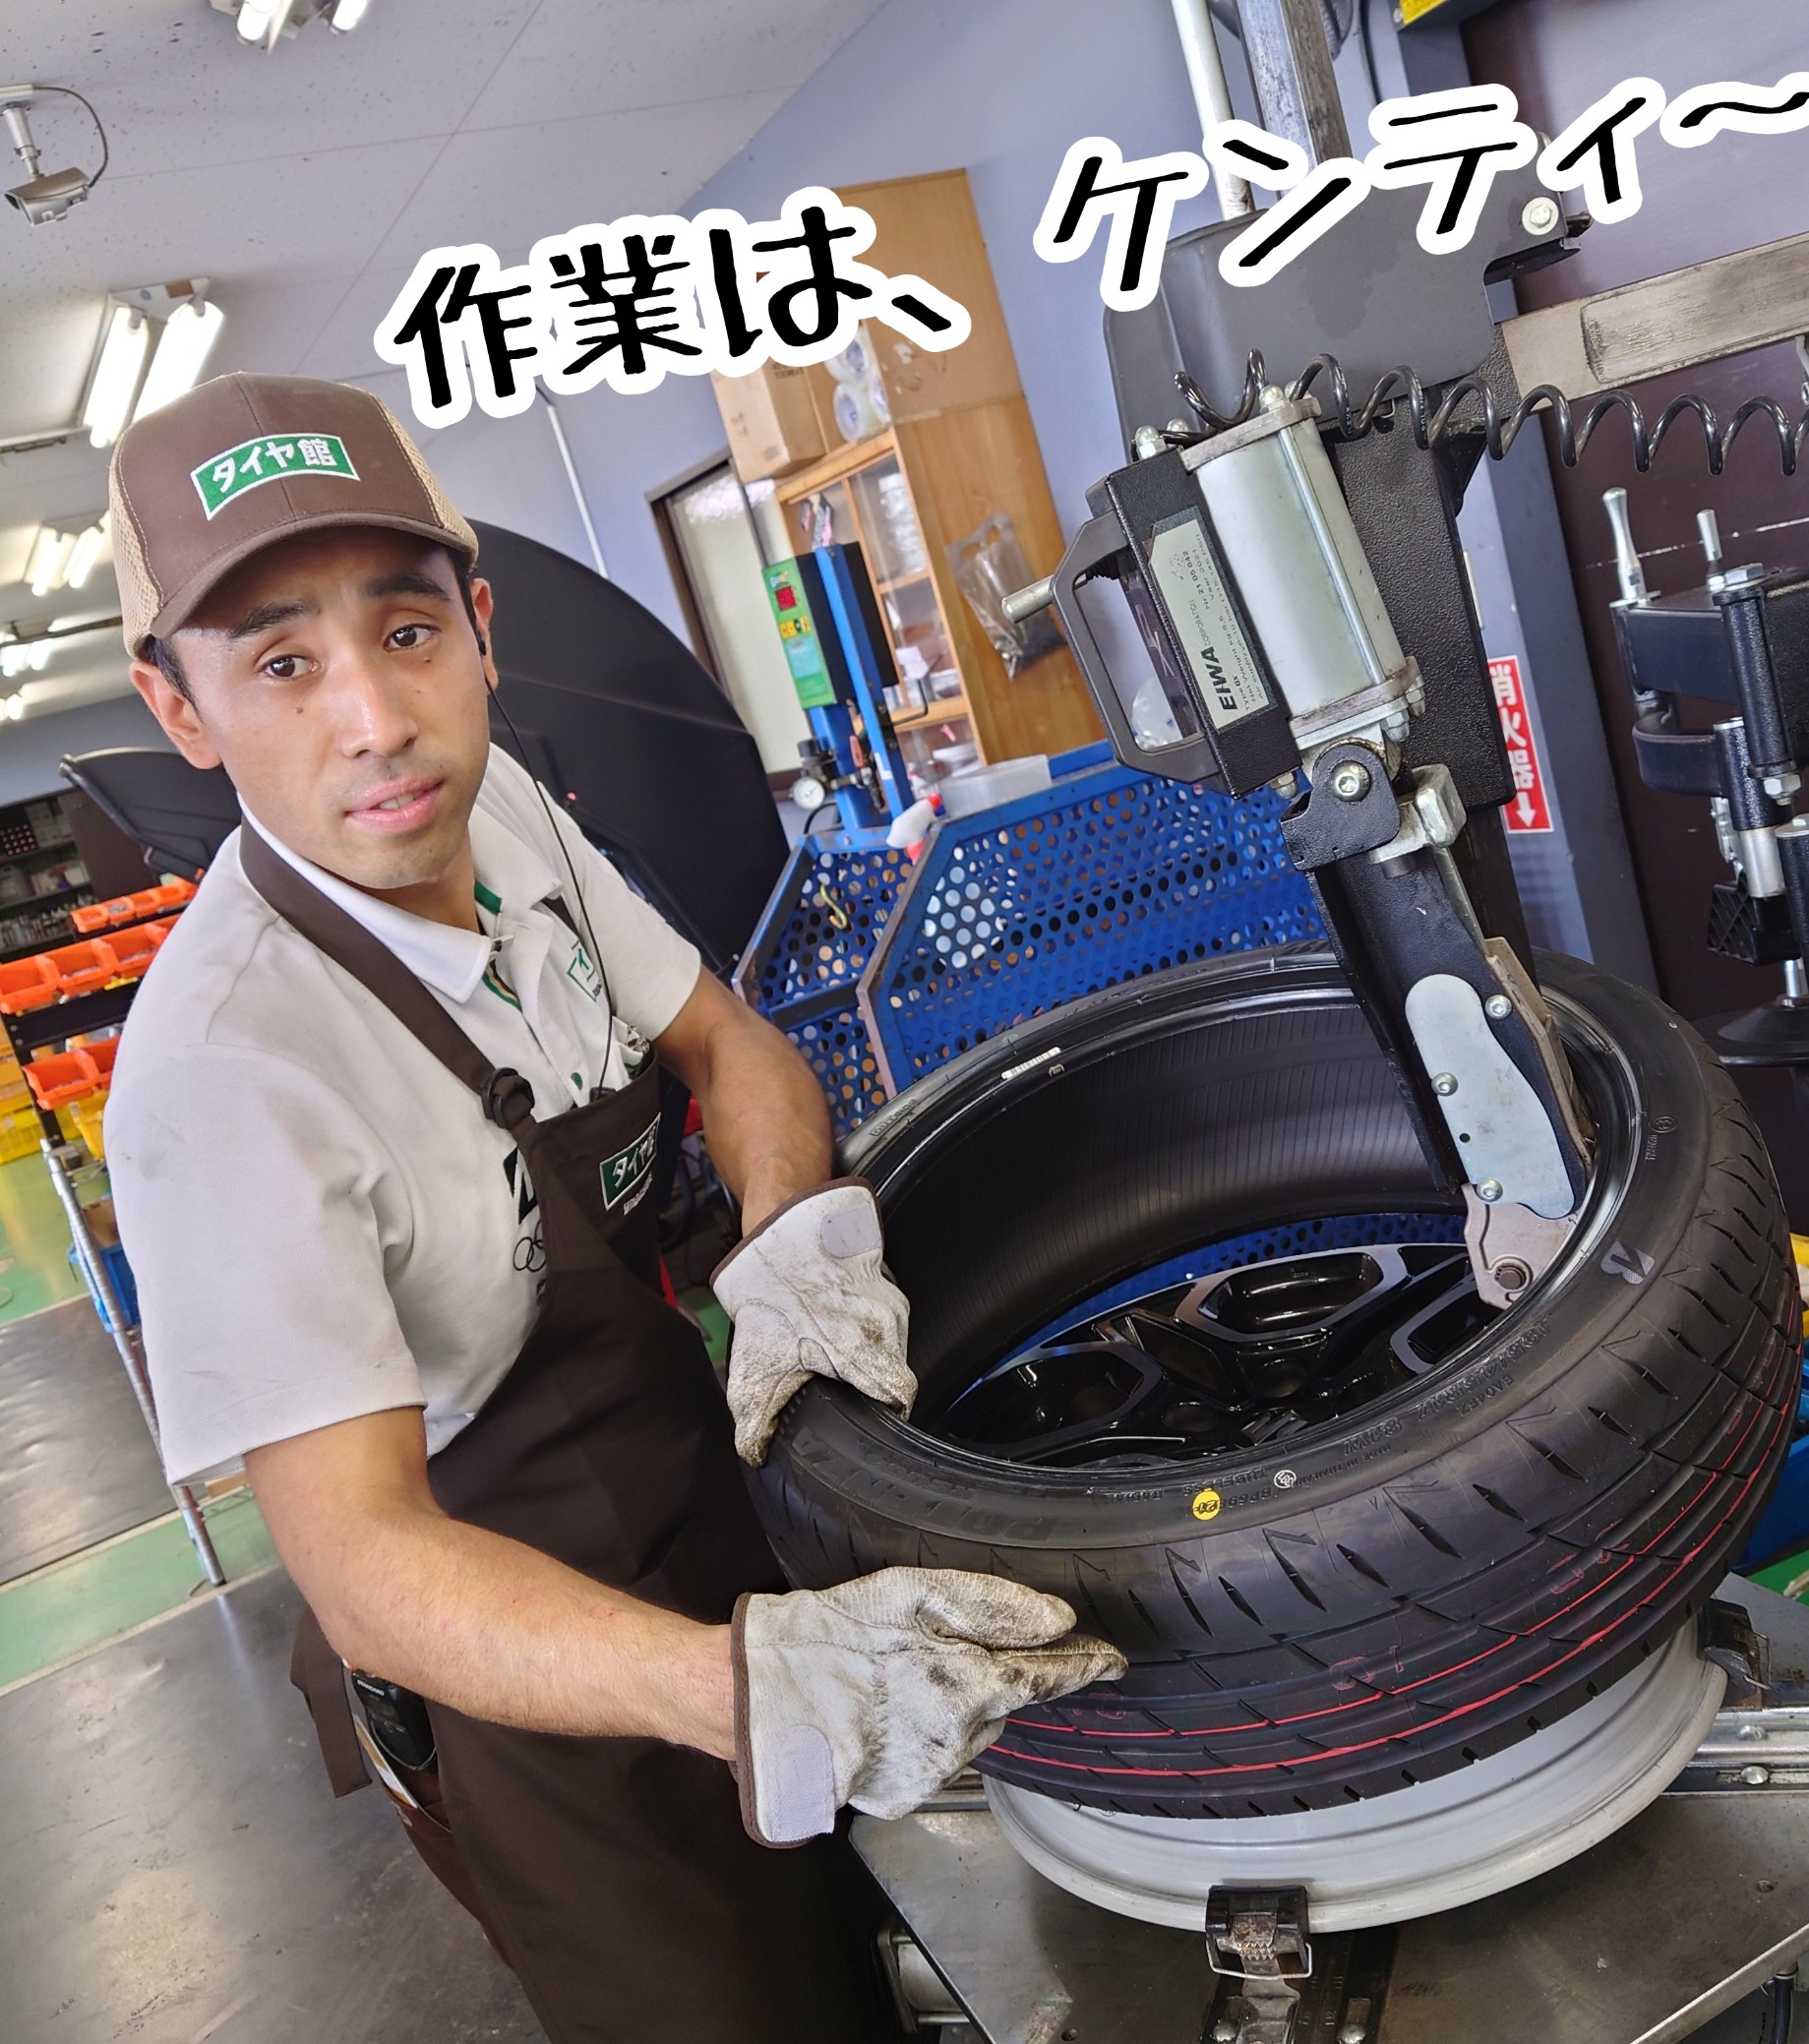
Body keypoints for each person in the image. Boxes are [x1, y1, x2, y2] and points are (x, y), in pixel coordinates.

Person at [102, 373, 1123, 2042]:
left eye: (408, 632)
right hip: (526, 1668)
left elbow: (727, 1042)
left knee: (926, 1946)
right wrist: (747, 1687)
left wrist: (789, 1250)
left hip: (703, 1488)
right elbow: (364, 1563)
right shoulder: (225, 1079)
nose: (375, 720)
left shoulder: (497, 805)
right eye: (281, 664)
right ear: (181, 707)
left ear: (480, 629)